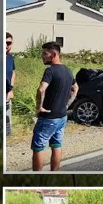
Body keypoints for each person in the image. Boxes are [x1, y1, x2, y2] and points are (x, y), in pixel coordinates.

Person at [32, 42, 77, 171]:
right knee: (56, 144)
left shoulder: (50, 70)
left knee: (38, 147)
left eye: (45, 53)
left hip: (48, 117)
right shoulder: (68, 70)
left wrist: (39, 108)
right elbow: (75, 88)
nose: (42, 56)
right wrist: (67, 104)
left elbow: (41, 90)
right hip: (62, 116)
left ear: (53, 54)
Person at [5, 32, 15, 137]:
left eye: (9, 43)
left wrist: (11, 88)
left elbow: (13, 72)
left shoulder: (10, 58)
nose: (7, 46)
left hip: (6, 93)